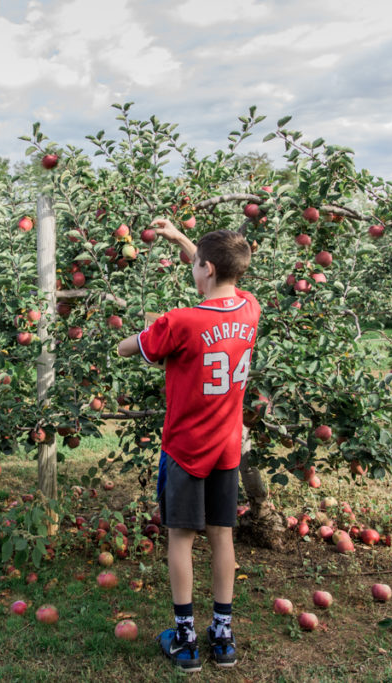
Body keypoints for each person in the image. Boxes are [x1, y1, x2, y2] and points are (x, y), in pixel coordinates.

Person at [116, 217, 260, 672]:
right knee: (221, 537)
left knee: (180, 538)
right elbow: (213, 281)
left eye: (194, 263)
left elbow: (131, 349)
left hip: (185, 447)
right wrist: (183, 240)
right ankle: (222, 636)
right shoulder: (250, 307)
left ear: (207, 270)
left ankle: (185, 640)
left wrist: (133, 335)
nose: (191, 268)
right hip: (226, 448)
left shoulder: (178, 322)